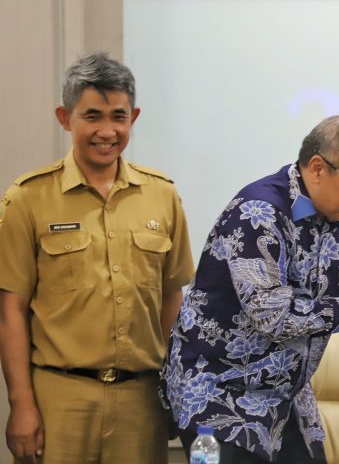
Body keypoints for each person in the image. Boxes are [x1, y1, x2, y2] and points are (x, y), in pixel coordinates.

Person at [162, 114, 339, 463]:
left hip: (285, 399)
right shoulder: (257, 214)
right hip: (218, 397)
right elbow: (275, 317)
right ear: (319, 168)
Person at [0, 52, 194, 463]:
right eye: (92, 116)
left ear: (133, 117)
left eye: (118, 117)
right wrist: (21, 404)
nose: (107, 131)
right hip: (60, 398)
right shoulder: (27, 198)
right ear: (65, 117)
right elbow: (10, 311)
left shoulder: (162, 195)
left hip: (141, 399)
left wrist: (176, 388)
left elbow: (172, 300)